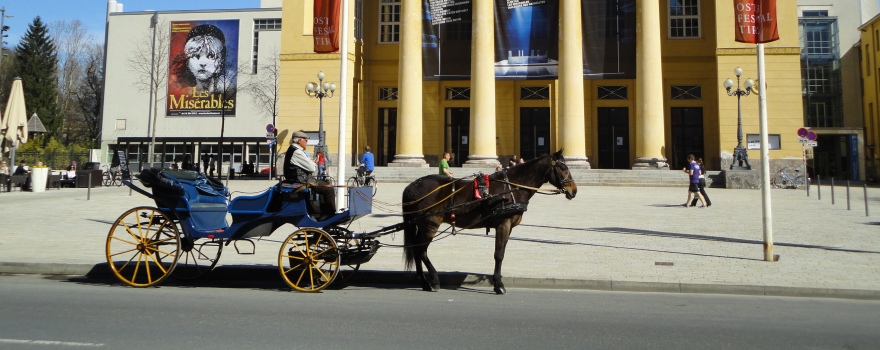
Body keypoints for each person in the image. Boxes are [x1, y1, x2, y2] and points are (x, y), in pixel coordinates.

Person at [284, 130, 336, 217]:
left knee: (325, 186)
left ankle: (323, 212)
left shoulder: (294, 150)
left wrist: (309, 162)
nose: (307, 143)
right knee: (329, 189)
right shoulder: (297, 152)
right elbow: (312, 168)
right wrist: (312, 163)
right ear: (299, 140)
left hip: (301, 178)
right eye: (306, 140)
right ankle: (329, 214)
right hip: (302, 180)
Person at [171, 24, 228, 95]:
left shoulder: (228, 89)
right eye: (195, 56)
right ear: (187, 61)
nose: (203, 63)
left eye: (211, 56)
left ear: (220, 60)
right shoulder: (180, 92)